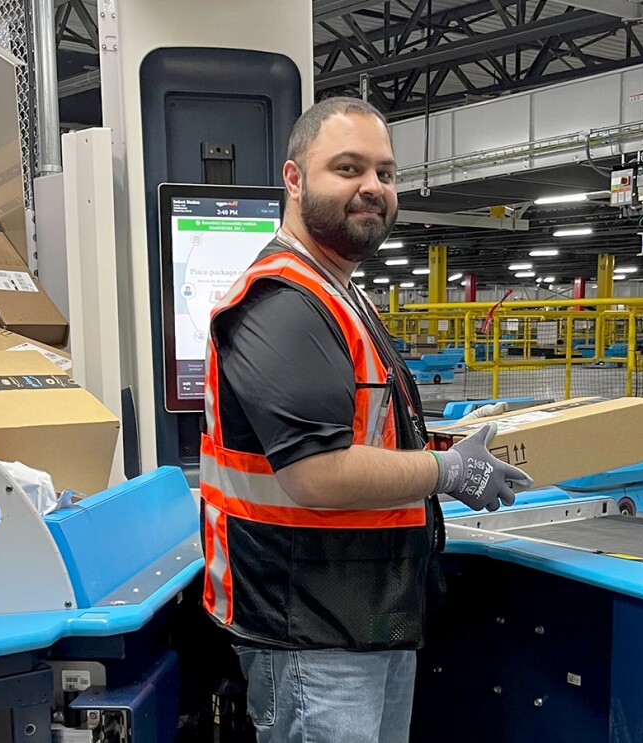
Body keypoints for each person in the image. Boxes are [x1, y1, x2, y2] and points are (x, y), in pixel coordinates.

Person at [198, 96, 532, 743]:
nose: (372, 187)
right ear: (294, 179)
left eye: (385, 172)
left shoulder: (341, 293)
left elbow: (365, 429)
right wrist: (444, 469)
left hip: (360, 612)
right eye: (348, 168)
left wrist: (450, 443)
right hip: (311, 628)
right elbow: (317, 473)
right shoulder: (284, 303)